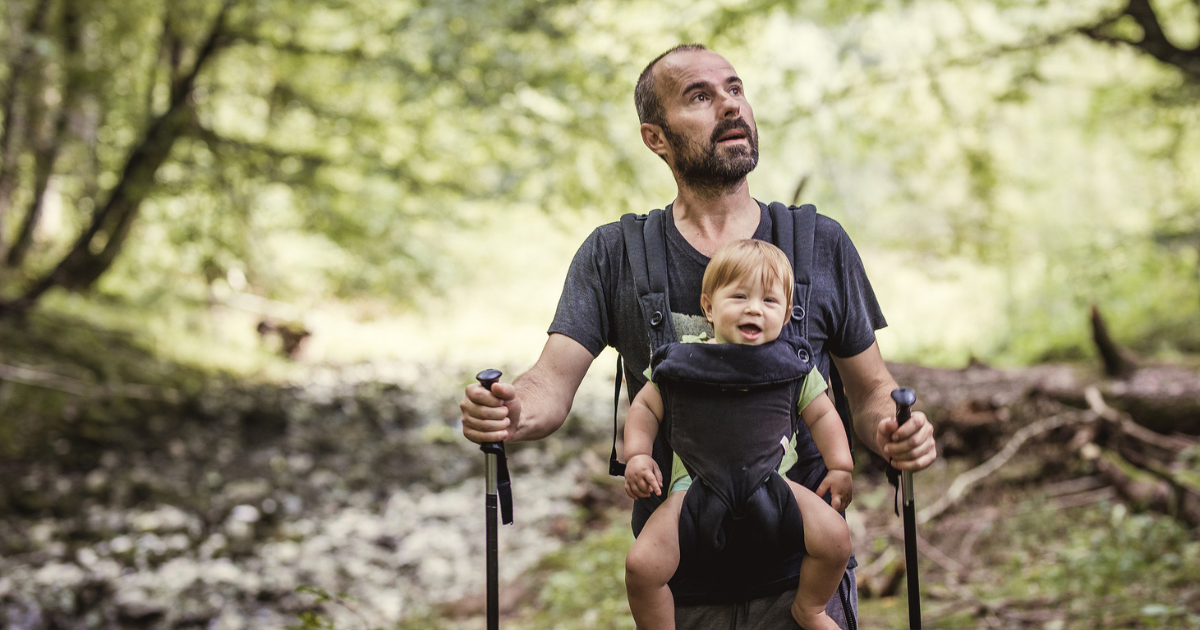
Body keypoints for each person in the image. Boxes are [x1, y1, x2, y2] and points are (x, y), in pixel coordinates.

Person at [460, 43, 937, 628]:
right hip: (681, 585)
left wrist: (898, 430)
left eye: (735, 89)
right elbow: (549, 384)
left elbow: (870, 393)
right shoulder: (616, 255)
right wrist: (506, 411)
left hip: (800, 578)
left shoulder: (819, 243)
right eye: (700, 96)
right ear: (655, 138)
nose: (730, 106)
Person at [623, 239, 853, 630]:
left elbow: (823, 415)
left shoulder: (791, 365)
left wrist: (840, 466)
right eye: (740, 296)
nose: (754, 308)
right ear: (709, 307)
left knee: (836, 540)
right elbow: (644, 407)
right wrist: (638, 455)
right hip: (691, 492)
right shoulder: (681, 361)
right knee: (642, 567)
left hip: (775, 489)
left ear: (785, 316)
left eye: (769, 301)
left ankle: (810, 608)